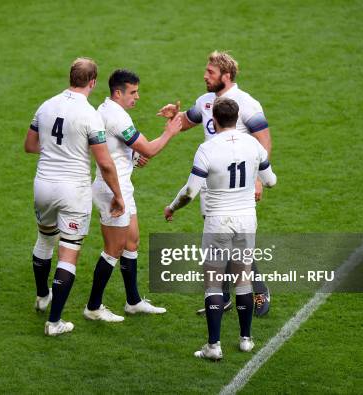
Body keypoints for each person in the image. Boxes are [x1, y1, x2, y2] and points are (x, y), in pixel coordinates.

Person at [157, 50, 272, 316]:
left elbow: (263, 140)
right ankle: (225, 296)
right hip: (211, 184)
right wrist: (176, 115)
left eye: (210, 72)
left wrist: (258, 179)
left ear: (226, 76)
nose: (205, 75)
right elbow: (189, 120)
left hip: (238, 185)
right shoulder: (207, 101)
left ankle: (260, 289)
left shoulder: (247, 103)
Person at [164, 97, 276, 360]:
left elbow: (190, 192)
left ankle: (213, 347)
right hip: (246, 220)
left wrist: (171, 208)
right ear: (237, 119)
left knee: (213, 283)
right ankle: (246, 339)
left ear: (213, 120)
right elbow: (270, 181)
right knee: (243, 279)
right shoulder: (253, 145)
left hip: (217, 222)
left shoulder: (207, 148)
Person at [24, 58, 125, 336]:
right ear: (93, 82)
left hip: (43, 184)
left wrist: (56, 150)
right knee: (69, 252)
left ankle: (43, 295)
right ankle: (54, 323)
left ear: (71, 77)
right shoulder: (90, 114)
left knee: (45, 239)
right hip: (73, 190)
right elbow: (105, 164)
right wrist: (117, 195)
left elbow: (30, 145)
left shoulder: (46, 106)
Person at [83, 69, 182, 322]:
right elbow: (149, 148)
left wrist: (136, 156)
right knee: (113, 249)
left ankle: (133, 301)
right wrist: (170, 131)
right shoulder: (116, 117)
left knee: (132, 242)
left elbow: (138, 151)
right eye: (133, 92)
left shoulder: (109, 111)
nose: (137, 97)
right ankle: (93, 307)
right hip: (112, 190)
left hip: (122, 185)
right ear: (118, 92)